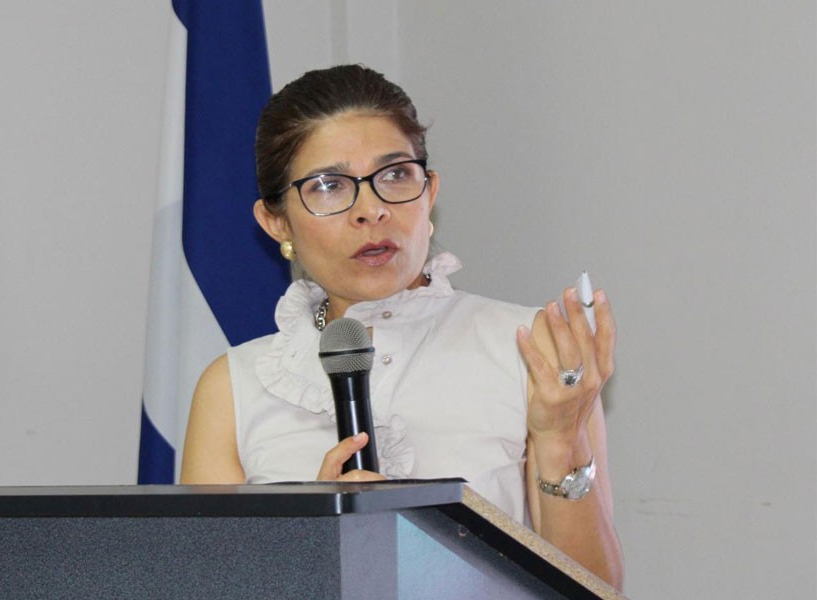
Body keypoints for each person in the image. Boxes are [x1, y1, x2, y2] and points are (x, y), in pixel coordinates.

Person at [180, 64, 624, 589]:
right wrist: (311, 547)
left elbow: (598, 591)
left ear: (429, 191)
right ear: (277, 222)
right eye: (328, 185)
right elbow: (199, 588)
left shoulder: (532, 349)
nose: (370, 211)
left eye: (394, 175)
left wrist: (561, 441)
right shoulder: (234, 386)